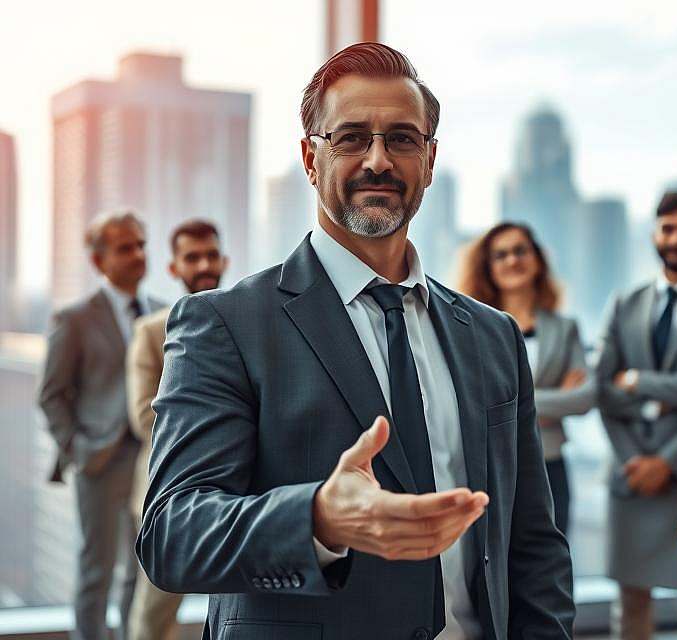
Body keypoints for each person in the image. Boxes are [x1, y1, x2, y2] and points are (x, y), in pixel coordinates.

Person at [135, 42, 574, 638]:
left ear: (429, 158)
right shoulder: (225, 325)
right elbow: (171, 535)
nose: (378, 161)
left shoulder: (492, 337)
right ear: (310, 159)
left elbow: (532, 543)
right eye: (350, 138)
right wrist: (318, 518)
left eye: (401, 138)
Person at [596, 191, 677, 640]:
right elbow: (605, 391)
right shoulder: (624, 303)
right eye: (668, 228)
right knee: (630, 605)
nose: (676, 238)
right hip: (631, 475)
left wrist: (667, 460)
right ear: (655, 234)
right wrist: (638, 461)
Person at [38, 210, 163, 640]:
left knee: (140, 568)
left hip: (149, 460)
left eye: (141, 244)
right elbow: (52, 394)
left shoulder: (165, 312)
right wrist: (77, 448)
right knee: (96, 571)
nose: (138, 254)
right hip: (100, 460)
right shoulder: (74, 319)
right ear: (99, 261)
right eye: (125, 247)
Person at [456, 222, 594, 535]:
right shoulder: (471, 326)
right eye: (500, 255)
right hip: (490, 465)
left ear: (537, 259)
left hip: (551, 464)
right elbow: (471, 400)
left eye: (521, 250)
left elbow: (585, 398)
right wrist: (551, 402)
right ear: (487, 268)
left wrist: (510, 407)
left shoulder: (565, 328)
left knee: (550, 563)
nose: (512, 260)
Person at [126, 219, 228, 640]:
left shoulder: (243, 321)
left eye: (210, 255)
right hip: (166, 493)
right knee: (154, 612)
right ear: (173, 268)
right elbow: (142, 415)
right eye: (192, 257)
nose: (204, 264)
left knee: (240, 608)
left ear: (224, 260)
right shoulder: (151, 332)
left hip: (238, 492)